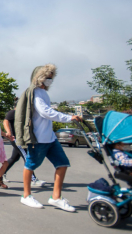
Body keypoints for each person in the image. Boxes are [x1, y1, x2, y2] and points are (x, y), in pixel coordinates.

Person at [15, 64, 82, 211]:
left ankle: (56, 197)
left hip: (50, 138)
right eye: (47, 77)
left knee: (63, 164)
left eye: (51, 77)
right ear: (39, 78)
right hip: (38, 138)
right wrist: (69, 118)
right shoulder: (35, 92)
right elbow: (45, 112)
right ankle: (26, 196)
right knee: (30, 165)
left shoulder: (44, 93)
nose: (50, 80)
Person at [2, 105, 46, 187]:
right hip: (16, 139)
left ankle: (1, 173)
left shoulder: (22, 114)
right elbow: (5, 121)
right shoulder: (13, 112)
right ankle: (33, 179)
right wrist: (9, 132)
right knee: (27, 157)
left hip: (22, 139)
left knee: (14, 158)